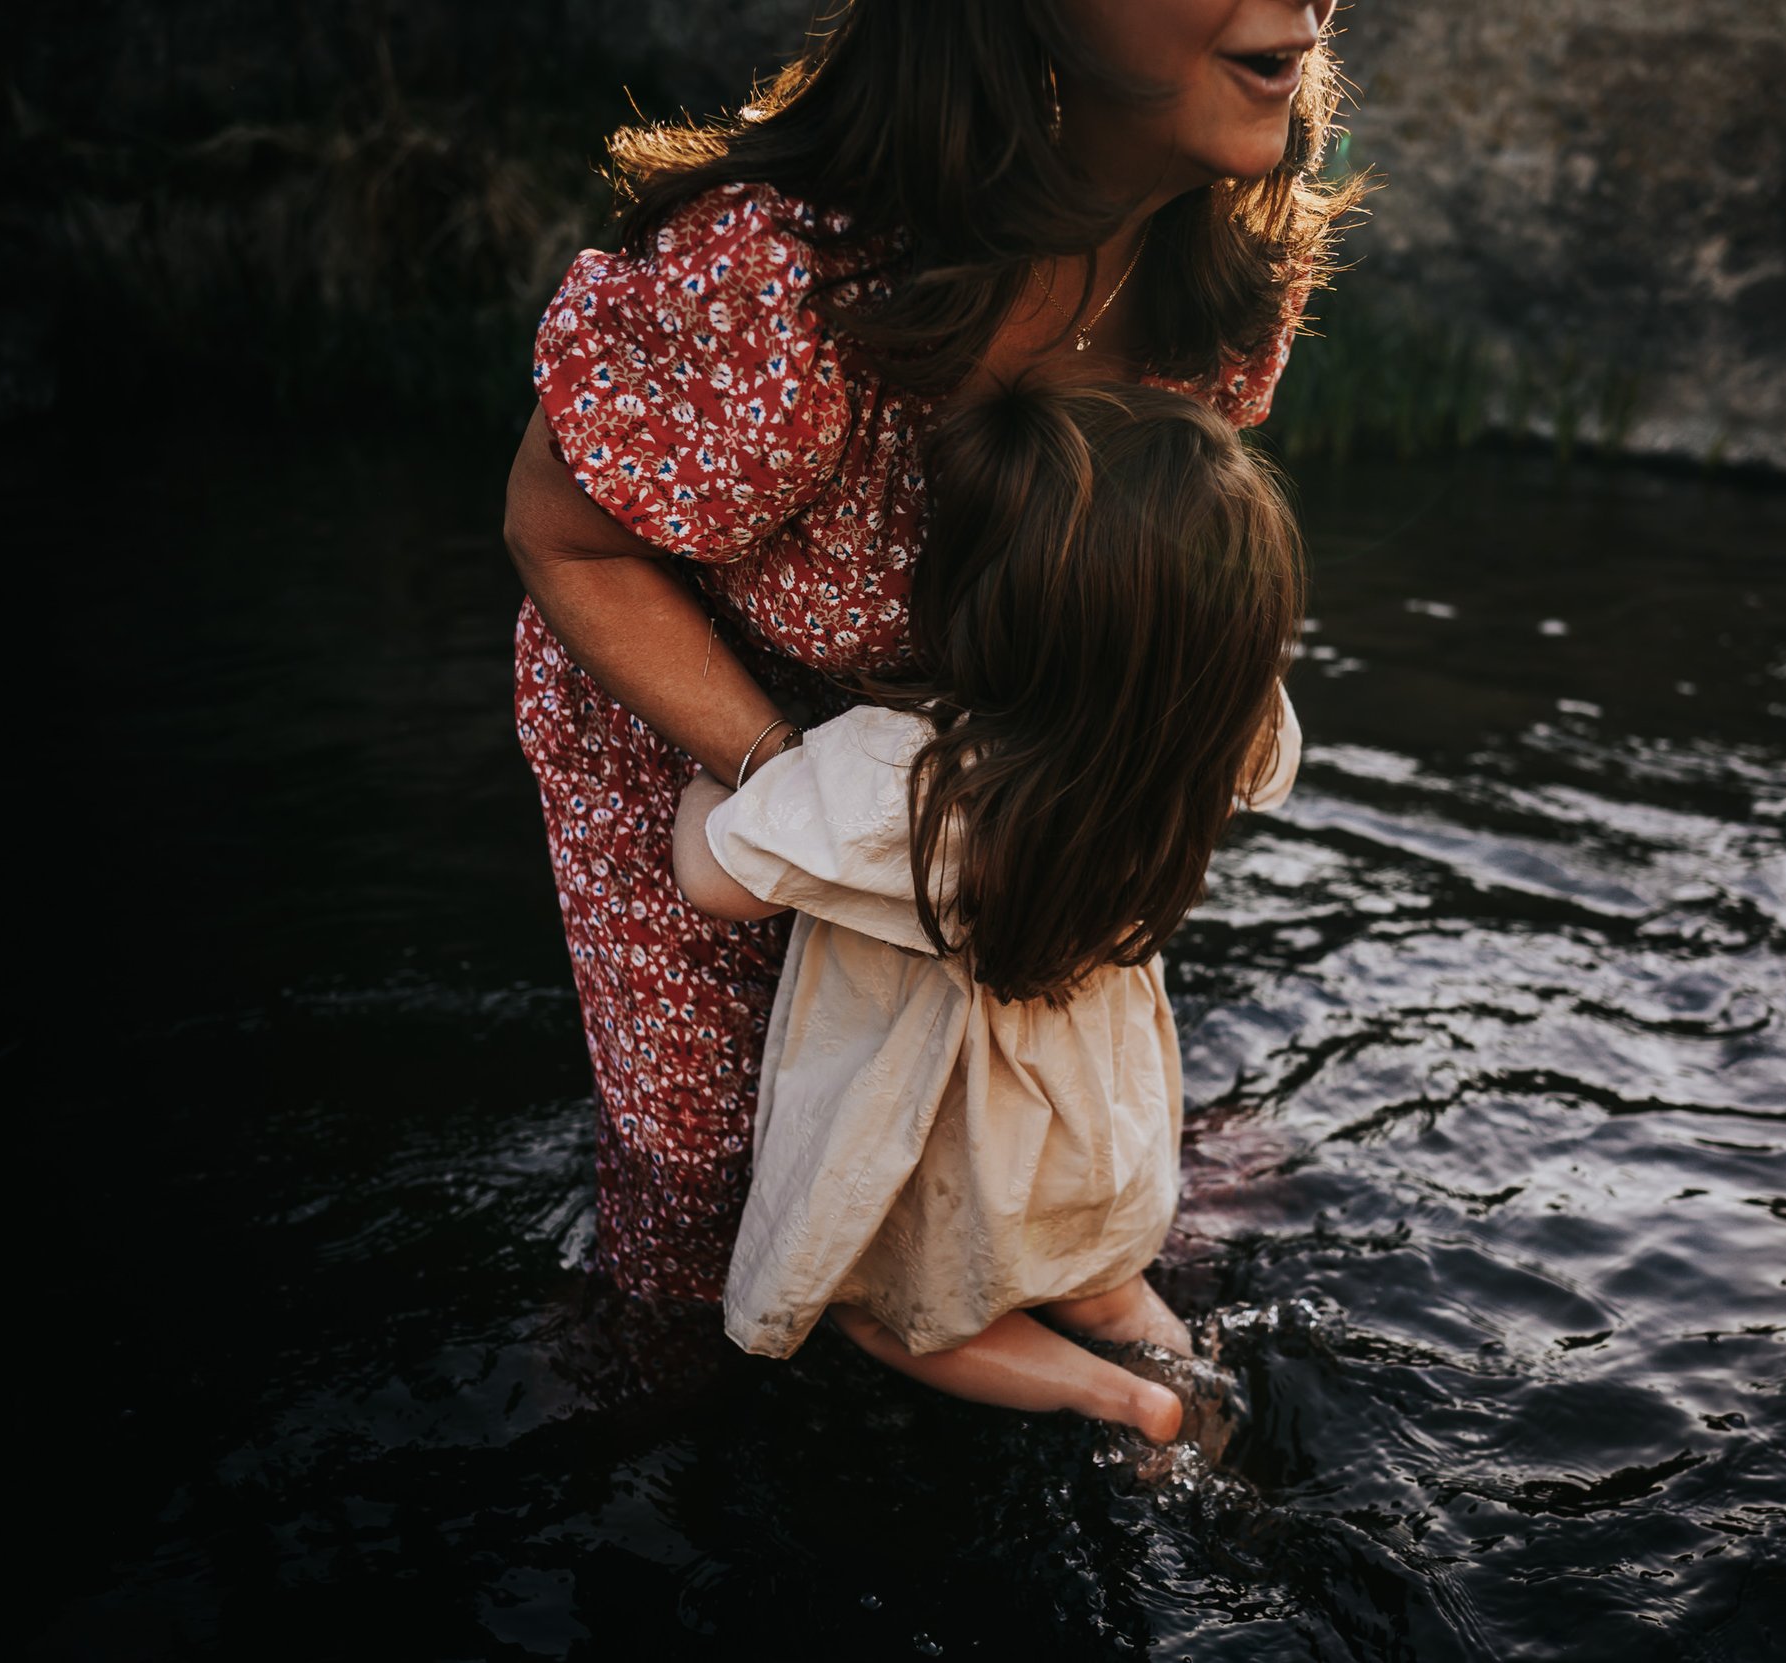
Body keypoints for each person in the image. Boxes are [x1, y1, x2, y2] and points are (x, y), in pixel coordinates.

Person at [501, 0, 1357, 1301]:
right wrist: (811, 804)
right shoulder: (784, 278)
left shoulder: (1222, 273)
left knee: (984, 1174)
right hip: (699, 766)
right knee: (707, 1220)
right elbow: (565, 539)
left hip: (987, 780)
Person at [666, 382, 1303, 1441]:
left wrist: (710, 775)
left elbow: (715, 875)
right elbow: (1262, 742)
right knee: (1100, 1285)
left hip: (969, 1123)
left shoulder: (922, 786)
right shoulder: (1212, 737)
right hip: (1104, 1106)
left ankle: (1122, 1400)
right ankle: (1189, 1390)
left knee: (882, 1316)